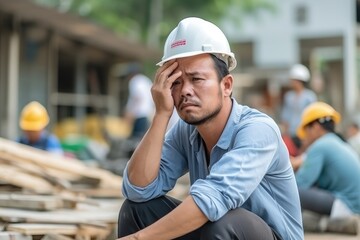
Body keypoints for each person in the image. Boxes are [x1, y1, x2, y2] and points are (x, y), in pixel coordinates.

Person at [117, 17, 303, 240]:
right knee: (136, 210)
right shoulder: (187, 132)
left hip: (260, 234)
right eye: (175, 82)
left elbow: (213, 198)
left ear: (226, 86)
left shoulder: (258, 130)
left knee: (221, 220)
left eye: (196, 79)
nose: (185, 90)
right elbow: (138, 190)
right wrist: (161, 115)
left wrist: (140, 239)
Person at [292, 102, 360, 235]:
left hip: (346, 205)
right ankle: (327, 223)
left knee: (291, 190)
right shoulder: (336, 142)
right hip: (354, 204)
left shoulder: (320, 146)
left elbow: (300, 183)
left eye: (307, 130)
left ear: (316, 127)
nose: (305, 135)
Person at [280, 63, 317, 154]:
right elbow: (286, 116)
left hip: (305, 134)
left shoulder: (309, 97)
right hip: (292, 134)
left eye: (294, 80)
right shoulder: (289, 97)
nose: (292, 83)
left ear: (300, 81)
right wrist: (285, 134)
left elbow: (313, 117)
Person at [122, 63, 154, 139]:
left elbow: (137, 98)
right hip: (147, 114)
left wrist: (130, 114)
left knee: (135, 140)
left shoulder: (135, 81)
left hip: (139, 115)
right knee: (142, 138)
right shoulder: (145, 80)